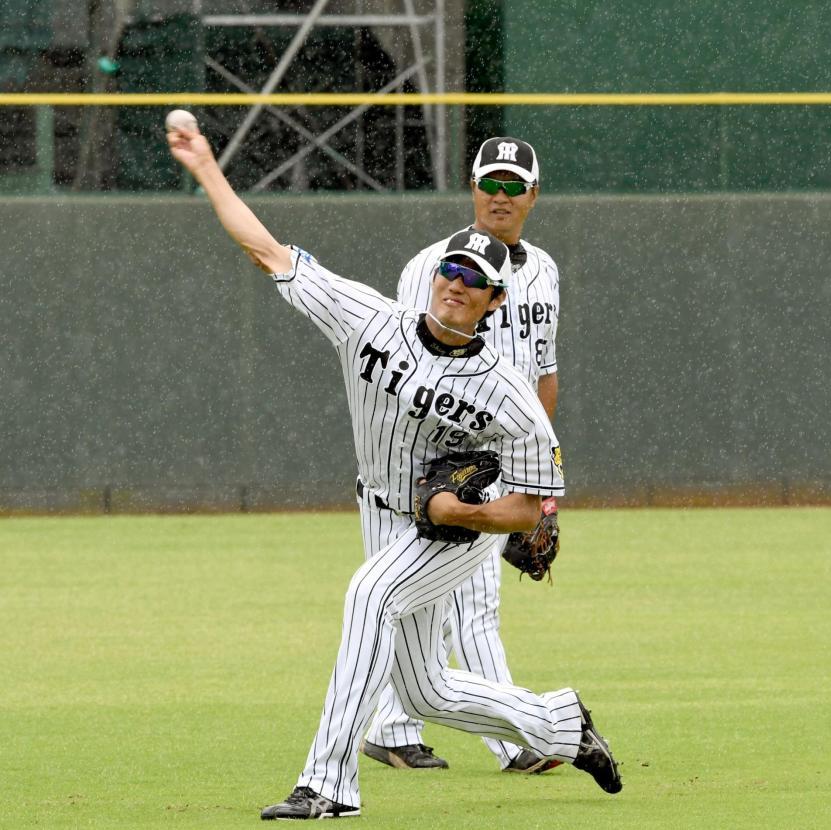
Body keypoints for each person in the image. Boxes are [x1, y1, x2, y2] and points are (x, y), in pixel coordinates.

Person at [165, 124, 622, 819]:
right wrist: (205, 168)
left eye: (478, 282)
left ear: (495, 303)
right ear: (436, 275)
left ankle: (327, 785)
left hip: (451, 528)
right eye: (454, 272)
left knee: (370, 596)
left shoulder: (509, 396)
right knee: (422, 690)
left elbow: (528, 507)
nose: (459, 286)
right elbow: (265, 249)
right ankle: (560, 724)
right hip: (380, 508)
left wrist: (466, 515)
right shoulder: (369, 320)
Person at [361, 137, 563, 774]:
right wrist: (425, 474)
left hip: (509, 454)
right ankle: (517, 740)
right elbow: (403, 367)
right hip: (446, 462)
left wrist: (539, 480)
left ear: (532, 195)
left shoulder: (547, 271)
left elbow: (544, 372)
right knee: (470, 603)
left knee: (430, 605)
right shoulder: (432, 265)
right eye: (490, 184)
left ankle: (392, 728)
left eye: (513, 186)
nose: (500, 197)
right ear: (472, 188)